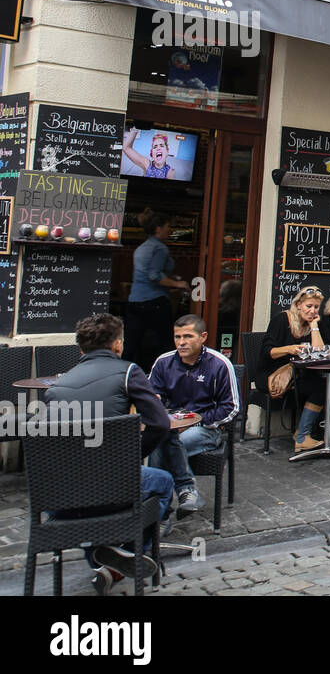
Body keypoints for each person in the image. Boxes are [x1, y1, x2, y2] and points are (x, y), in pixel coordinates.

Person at [45, 314, 174, 595]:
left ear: (80, 349)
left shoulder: (55, 388)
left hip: (59, 502)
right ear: (118, 345)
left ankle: (103, 560)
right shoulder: (128, 372)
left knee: (92, 492)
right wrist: (128, 458)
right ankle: (124, 555)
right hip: (111, 490)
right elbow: (160, 423)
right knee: (163, 482)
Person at [147, 315, 239, 518]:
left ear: (203, 336)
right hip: (170, 426)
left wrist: (194, 422)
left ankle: (158, 513)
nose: (181, 342)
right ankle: (187, 493)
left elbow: (231, 408)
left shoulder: (219, 364)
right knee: (165, 440)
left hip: (206, 428)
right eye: (177, 337)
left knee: (163, 446)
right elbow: (152, 400)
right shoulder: (163, 363)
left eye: (188, 336)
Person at [258, 285, 330, 453]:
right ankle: (302, 436)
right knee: (320, 388)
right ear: (298, 304)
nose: (312, 310)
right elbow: (267, 352)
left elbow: (319, 351)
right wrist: (289, 349)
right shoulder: (282, 320)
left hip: (298, 374)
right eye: (309, 306)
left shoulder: (310, 324)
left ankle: (308, 434)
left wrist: (314, 326)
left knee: (329, 385)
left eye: (316, 307)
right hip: (273, 374)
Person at [124, 210, 189, 369]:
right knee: (165, 343)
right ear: (158, 228)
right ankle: (168, 374)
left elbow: (146, 274)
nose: (170, 229)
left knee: (132, 344)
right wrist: (179, 284)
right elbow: (155, 276)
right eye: (168, 226)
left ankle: (125, 374)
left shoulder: (142, 247)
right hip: (155, 302)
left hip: (134, 301)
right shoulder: (160, 248)